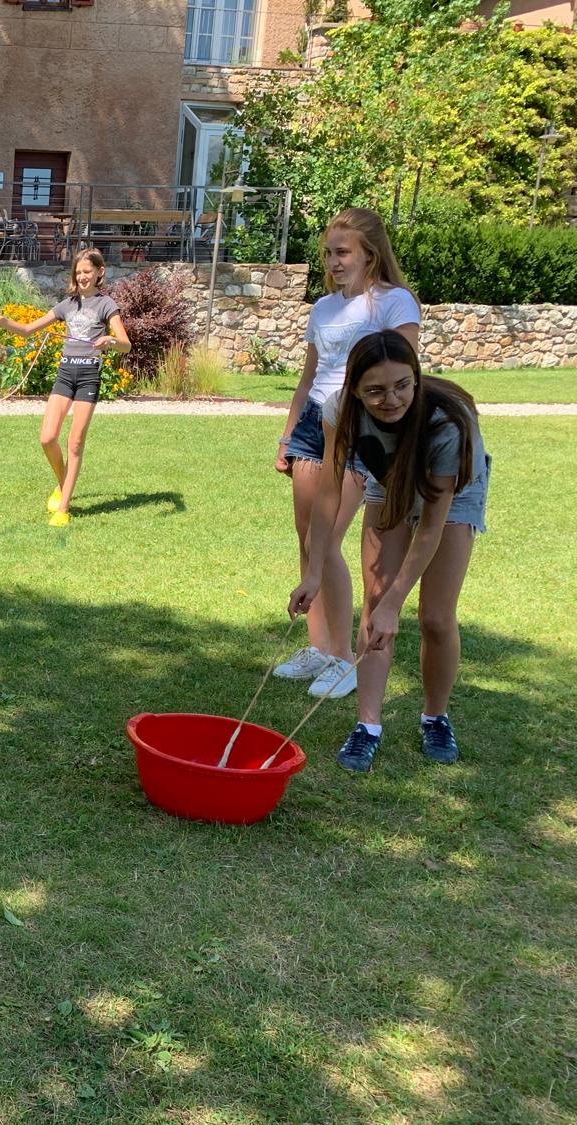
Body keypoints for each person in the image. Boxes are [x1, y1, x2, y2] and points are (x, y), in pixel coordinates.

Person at [289, 331, 488, 773]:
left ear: (415, 377)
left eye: (402, 385)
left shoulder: (445, 424)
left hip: (454, 493)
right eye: (376, 391)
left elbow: (430, 527)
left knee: (435, 616)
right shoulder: (340, 410)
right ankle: (368, 725)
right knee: (374, 603)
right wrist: (314, 573)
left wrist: (397, 604)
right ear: (355, 390)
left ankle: (435, 717)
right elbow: (328, 493)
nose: (391, 399)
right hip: (388, 478)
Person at [274, 208, 421, 701]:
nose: (333, 262)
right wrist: (288, 436)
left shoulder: (394, 302)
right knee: (307, 538)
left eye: (342, 252)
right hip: (314, 425)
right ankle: (319, 648)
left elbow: (404, 374)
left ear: (370, 255)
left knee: (328, 540)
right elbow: (309, 377)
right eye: (328, 254)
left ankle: (342, 659)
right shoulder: (323, 308)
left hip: (360, 427)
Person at [0, 248, 130, 527]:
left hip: (88, 377)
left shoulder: (106, 305)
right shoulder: (67, 305)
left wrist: (110, 341)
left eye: (87, 271)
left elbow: (126, 344)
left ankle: (63, 508)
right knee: (47, 438)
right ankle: (64, 484)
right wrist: (4, 322)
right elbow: (28, 329)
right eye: (78, 272)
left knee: (74, 443)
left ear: (100, 272)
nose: (82, 276)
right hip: (65, 375)